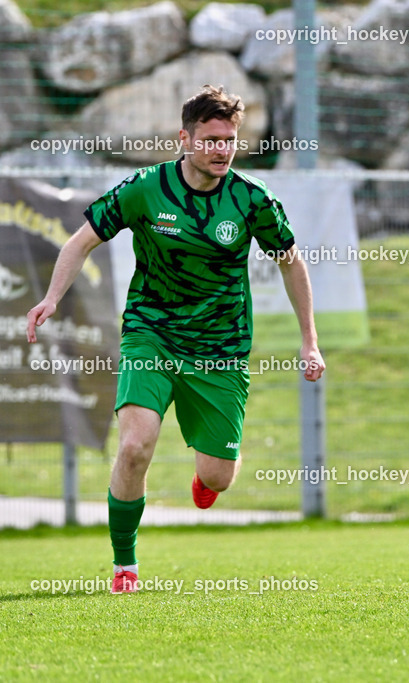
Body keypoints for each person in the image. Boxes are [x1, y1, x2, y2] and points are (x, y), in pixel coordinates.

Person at [25, 84, 325, 594]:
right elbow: (82, 240)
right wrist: (52, 298)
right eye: (210, 139)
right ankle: (125, 565)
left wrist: (309, 341)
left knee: (219, 478)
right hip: (152, 334)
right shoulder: (146, 188)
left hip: (221, 349)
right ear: (184, 139)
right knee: (136, 445)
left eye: (229, 139)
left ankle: (204, 474)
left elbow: (292, 264)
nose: (221, 149)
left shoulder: (253, 200)